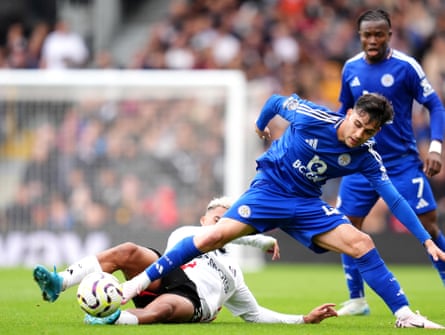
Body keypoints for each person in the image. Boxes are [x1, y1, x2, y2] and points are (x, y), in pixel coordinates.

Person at [117, 93, 445, 329]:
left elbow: (396, 200)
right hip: (269, 191)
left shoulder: (367, 156)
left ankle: (405, 316)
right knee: (213, 236)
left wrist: (426, 241)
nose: (358, 135)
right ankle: (138, 284)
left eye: (368, 132)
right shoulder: (311, 117)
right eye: (357, 124)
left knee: (362, 244)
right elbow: (275, 101)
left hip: (306, 204)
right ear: (349, 113)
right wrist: (261, 126)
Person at [33, 196, 337, 325]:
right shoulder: (186, 233)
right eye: (218, 218)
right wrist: (260, 239)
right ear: (204, 219)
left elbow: (255, 314)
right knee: (127, 249)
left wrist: (303, 319)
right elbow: (223, 234)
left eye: (228, 220)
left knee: (164, 308)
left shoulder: (235, 273)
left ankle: (114, 319)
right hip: (165, 273)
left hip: (192, 300)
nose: (222, 224)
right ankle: (60, 282)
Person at [335, 8, 445, 317]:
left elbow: (434, 105)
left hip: (401, 163)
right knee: (347, 226)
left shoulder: (406, 66)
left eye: (378, 34)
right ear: (360, 37)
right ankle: (357, 300)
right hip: (360, 163)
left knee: (428, 225)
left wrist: (435, 146)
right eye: (366, 35)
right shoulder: (350, 68)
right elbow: (344, 112)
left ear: (389, 35)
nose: (372, 40)